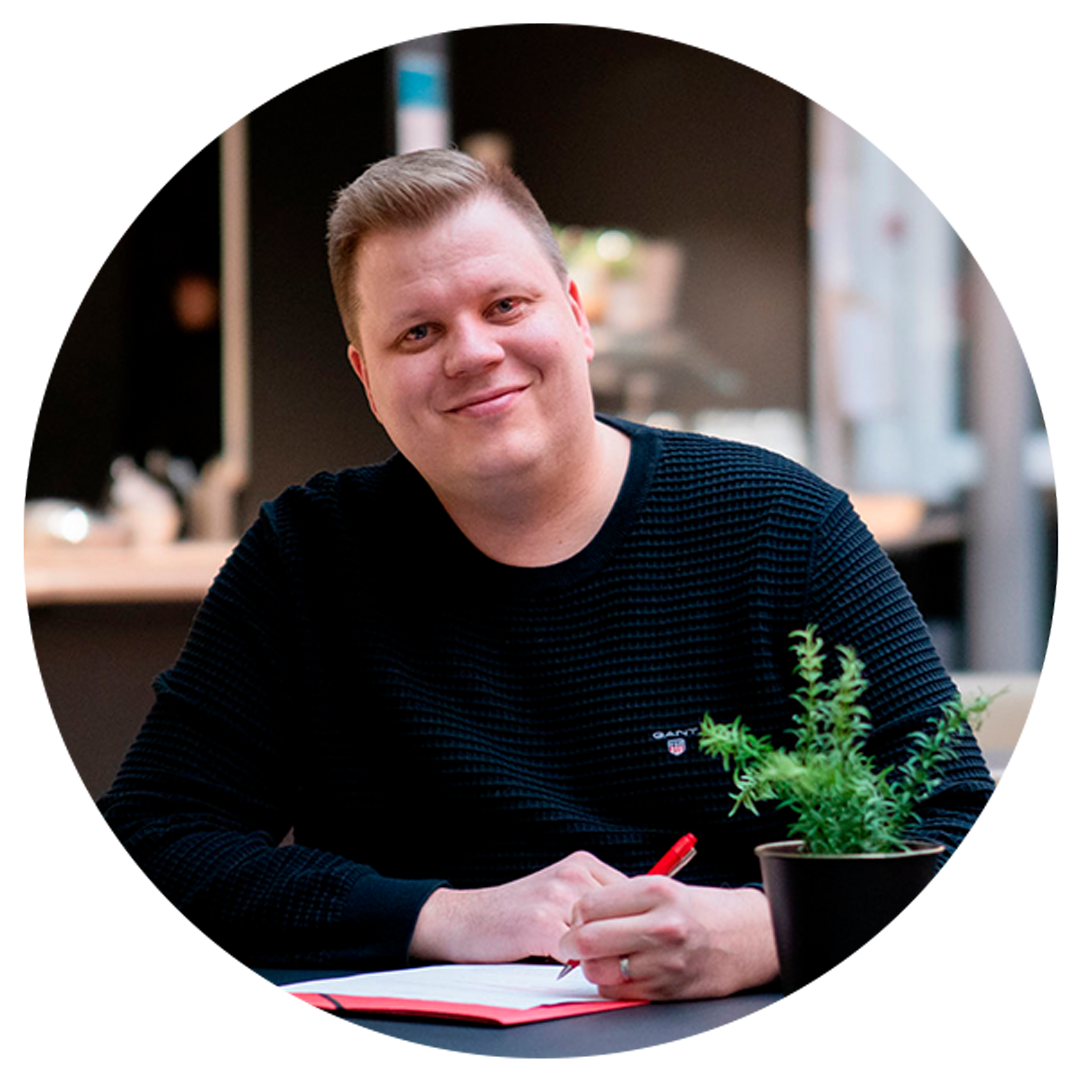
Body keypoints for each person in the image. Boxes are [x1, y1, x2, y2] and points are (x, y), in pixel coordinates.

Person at [78, 149, 1035, 1001]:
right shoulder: (308, 557)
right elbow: (134, 869)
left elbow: (986, 867)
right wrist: (443, 916)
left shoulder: (781, 527)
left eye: (505, 306)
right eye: (418, 334)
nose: (473, 353)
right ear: (368, 379)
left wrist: (765, 931)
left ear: (575, 318)